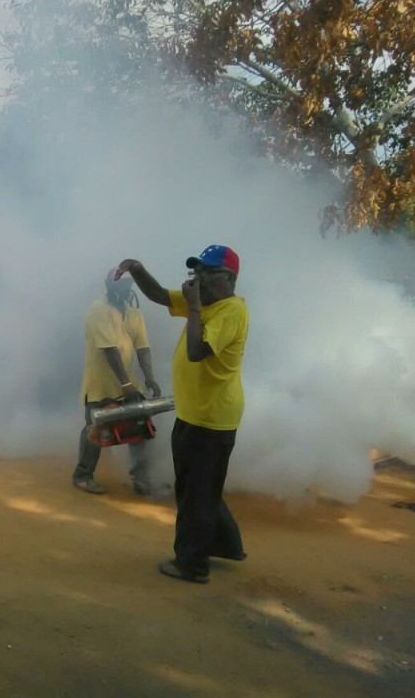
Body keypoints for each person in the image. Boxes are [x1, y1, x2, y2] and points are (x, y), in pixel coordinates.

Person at [117, 245, 249, 584]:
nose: (199, 278)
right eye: (197, 271)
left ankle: (191, 564)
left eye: (208, 272)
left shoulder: (229, 311)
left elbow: (196, 352)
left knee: (196, 494)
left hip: (210, 419)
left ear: (229, 278)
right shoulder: (207, 304)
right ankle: (226, 545)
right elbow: (160, 295)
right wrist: (138, 268)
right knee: (200, 488)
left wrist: (192, 306)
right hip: (195, 415)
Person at [73, 268, 162, 496]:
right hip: (100, 385)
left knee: (140, 430)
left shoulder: (134, 313)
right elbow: (109, 350)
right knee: (95, 430)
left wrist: (149, 377)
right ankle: (82, 475)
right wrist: (126, 385)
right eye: (117, 284)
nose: (122, 288)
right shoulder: (98, 310)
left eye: (126, 284)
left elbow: (143, 348)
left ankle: (142, 480)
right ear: (107, 285)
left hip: (129, 384)